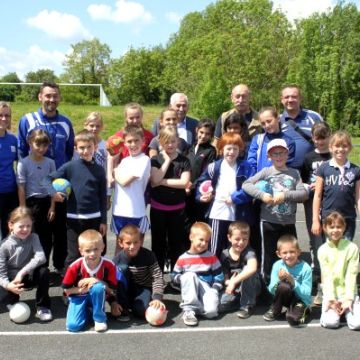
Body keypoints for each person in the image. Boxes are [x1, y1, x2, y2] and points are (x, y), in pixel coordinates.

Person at [17, 81, 75, 273]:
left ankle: (59, 266)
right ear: (40, 97)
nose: (51, 99)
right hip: (36, 191)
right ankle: (39, 269)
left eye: (55, 96)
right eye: (47, 95)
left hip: (58, 189)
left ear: (59, 98)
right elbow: (21, 152)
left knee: (60, 231)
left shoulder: (66, 123)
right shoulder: (27, 120)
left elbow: (69, 153)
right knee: (38, 232)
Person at [242, 139, 308, 284]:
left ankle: (289, 286)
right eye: (274, 153)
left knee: (290, 255)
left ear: (287, 154)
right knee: (268, 257)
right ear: (269, 157)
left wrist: (286, 195)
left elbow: (303, 194)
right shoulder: (266, 172)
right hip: (269, 221)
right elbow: (246, 185)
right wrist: (262, 195)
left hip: (288, 223)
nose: (278, 156)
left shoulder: (294, 173)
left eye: (281, 153)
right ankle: (267, 287)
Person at [45, 130, 107, 269]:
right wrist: (53, 193)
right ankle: (69, 286)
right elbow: (46, 180)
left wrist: (103, 220)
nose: (85, 151)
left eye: (89, 147)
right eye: (82, 147)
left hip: (95, 219)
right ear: (75, 148)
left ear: (95, 147)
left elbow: (103, 197)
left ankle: (94, 283)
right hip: (74, 219)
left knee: (96, 253)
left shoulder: (99, 170)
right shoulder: (70, 167)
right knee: (74, 255)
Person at [196, 132, 255, 258]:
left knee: (238, 245)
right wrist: (202, 196)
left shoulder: (246, 167)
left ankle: (237, 273)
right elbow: (201, 184)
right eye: (228, 148)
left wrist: (235, 198)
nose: (232, 152)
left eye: (235, 149)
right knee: (214, 245)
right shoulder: (213, 167)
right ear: (221, 149)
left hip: (239, 213)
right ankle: (214, 272)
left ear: (240, 150)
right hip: (218, 212)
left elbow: (252, 189)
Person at [150, 126, 191, 272]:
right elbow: (154, 179)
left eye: (173, 141)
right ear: (160, 142)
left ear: (178, 141)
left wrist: (161, 182)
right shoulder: (156, 160)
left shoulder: (184, 161)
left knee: (177, 244)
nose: (170, 145)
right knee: (158, 244)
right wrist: (166, 161)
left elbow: (184, 182)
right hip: (158, 209)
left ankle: (176, 276)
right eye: (166, 142)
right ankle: (157, 276)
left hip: (177, 210)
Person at [0, 207, 52, 322]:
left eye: (28, 226)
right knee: (3, 287)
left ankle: (43, 306)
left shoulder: (34, 237)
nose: (25, 229)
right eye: (21, 226)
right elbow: (1, 274)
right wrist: (8, 286)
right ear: (11, 225)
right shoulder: (4, 246)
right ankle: (12, 301)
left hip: (28, 276)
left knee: (44, 271)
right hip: (13, 280)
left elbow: (41, 257)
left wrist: (22, 272)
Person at [300, 122, 331, 305]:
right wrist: (307, 186)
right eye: (317, 138)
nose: (320, 142)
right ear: (312, 138)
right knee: (315, 239)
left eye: (323, 138)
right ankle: (317, 275)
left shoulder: (334, 155)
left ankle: (329, 280)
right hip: (312, 201)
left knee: (330, 240)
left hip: (330, 202)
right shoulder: (309, 157)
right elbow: (303, 180)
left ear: (329, 136)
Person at [62, 229, 117, 332]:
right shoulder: (74, 266)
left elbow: (112, 290)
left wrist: (95, 280)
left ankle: (99, 319)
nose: (92, 254)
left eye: (96, 249)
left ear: (102, 248)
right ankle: (88, 311)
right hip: (78, 296)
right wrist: (86, 289)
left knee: (98, 287)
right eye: (88, 250)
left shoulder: (109, 265)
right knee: (73, 326)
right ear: (81, 251)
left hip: (97, 297)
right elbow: (67, 291)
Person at [171, 222, 224, 326]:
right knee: (190, 275)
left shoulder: (211, 257)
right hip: (191, 287)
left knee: (212, 313)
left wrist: (215, 289)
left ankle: (198, 308)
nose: (204, 243)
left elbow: (219, 276)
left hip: (206, 288)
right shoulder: (183, 258)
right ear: (191, 237)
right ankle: (189, 310)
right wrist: (182, 278)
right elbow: (173, 276)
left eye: (207, 241)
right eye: (201, 239)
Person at [312, 130, 360, 241]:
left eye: (344, 146)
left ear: (350, 148)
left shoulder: (356, 170)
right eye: (337, 146)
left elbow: (358, 197)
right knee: (330, 254)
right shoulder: (323, 168)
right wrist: (315, 220)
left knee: (345, 252)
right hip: (328, 217)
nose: (340, 149)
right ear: (331, 147)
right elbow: (317, 196)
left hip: (348, 218)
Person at [17, 129, 56, 266]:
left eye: (45, 145)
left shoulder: (50, 163)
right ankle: (29, 270)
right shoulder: (24, 163)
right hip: (31, 204)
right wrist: (23, 209)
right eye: (37, 144)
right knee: (30, 237)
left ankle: (43, 268)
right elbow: (21, 187)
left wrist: (52, 206)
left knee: (46, 238)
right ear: (30, 143)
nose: (41, 148)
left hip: (46, 203)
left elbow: (51, 185)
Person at [111, 225, 165, 321]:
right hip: (126, 289)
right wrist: (114, 302)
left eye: (136, 242)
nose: (132, 247)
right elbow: (112, 282)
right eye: (128, 243)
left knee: (141, 311)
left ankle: (134, 303)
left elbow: (157, 277)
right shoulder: (117, 259)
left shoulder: (149, 255)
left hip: (143, 287)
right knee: (121, 269)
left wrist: (157, 297)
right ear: (120, 243)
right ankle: (123, 306)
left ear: (140, 241)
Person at [111, 125, 151, 254]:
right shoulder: (124, 161)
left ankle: (136, 274)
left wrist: (115, 171)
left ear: (143, 141)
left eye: (136, 141)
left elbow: (124, 182)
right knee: (120, 248)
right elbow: (111, 181)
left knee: (135, 249)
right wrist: (111, 159)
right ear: (124, 143)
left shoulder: (144, 160)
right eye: (129, 141)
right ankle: (117, 274)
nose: (133, 144)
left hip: (135, 212)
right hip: (119, 211)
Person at [318, 212, 360, 330]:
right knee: (330, 323)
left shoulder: (352, 248)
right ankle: (336, 312)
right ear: (325, 228)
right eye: (331, 227)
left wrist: (349, 298)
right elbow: (327, 276)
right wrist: (331, 299)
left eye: (338, 227)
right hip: (332, 294)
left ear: (344, 227)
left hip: (349, 293)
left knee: (357, 324)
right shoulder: (322, 250)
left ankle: (346, 310)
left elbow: (352, 274)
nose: (335, 230)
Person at [263, 235, 312, 326]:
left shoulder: (306, 268)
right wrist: (279, 281)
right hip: (288, 297)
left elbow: (306, 294)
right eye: (284, 253)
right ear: (278, 254)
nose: (288, 255)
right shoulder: (277, 265)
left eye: (292, 252)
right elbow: (271, 290)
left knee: (293, 320)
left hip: (301, 300)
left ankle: (304, 310)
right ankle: (275, 309)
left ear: (298, 252)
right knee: (283, 286)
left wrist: (293, 282)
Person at [219, 221, 261, 319]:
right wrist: (228, 281)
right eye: (237, 239)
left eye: (245, 239)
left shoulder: (249, 252)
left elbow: (252, 268)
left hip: (252, 285)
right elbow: (224, 274)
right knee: (219, 305)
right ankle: (238, 300)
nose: (241, 242)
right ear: (229, 238)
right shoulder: (225, 254)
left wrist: (234, 281)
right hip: (235, 288)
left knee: (247, 270)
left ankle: (247, 305)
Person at [106, 102, 153, 188]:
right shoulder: (118, 137)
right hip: (122, 175)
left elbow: (152, 157)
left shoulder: (149, 136)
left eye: (137, 117)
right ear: (126, 118)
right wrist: (110, 176)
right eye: (131, 118)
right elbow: (111, 157)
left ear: (142, 116)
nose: (135, 121)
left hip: (141, 177)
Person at [279, 84, 323, 169]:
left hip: (313, 169)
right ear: (282, 100)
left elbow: (328, 141)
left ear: (300, 98)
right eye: (286, 97)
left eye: (294, 97)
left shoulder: (314, 116)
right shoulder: (277, 120)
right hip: (287, 170)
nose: (290, 100)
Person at [186, 118, 217, 224]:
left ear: (211, 135)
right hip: (186, 192)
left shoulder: (211, 151)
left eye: (207, 134)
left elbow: (206, 174)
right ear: (196, 130)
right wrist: (185, 185)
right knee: (185, 224)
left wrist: (193, 186)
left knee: (200, 223)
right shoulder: (189, 148)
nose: (203, 136)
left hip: (199, 193)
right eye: (201, 132)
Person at [247, 106, 296, 172]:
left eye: (269, 121)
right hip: (259, 179)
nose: (267, 125)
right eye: (263, 123)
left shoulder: (289, 142)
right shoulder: (257, 140)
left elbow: (287, 166)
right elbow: (251, 163)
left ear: (278, 118)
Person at [0, 101, 18, 240]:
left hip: (10, 193)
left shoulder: (13, 139)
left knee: (8, 233)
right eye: (0, 115)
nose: (4, 118)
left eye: (7, 115)